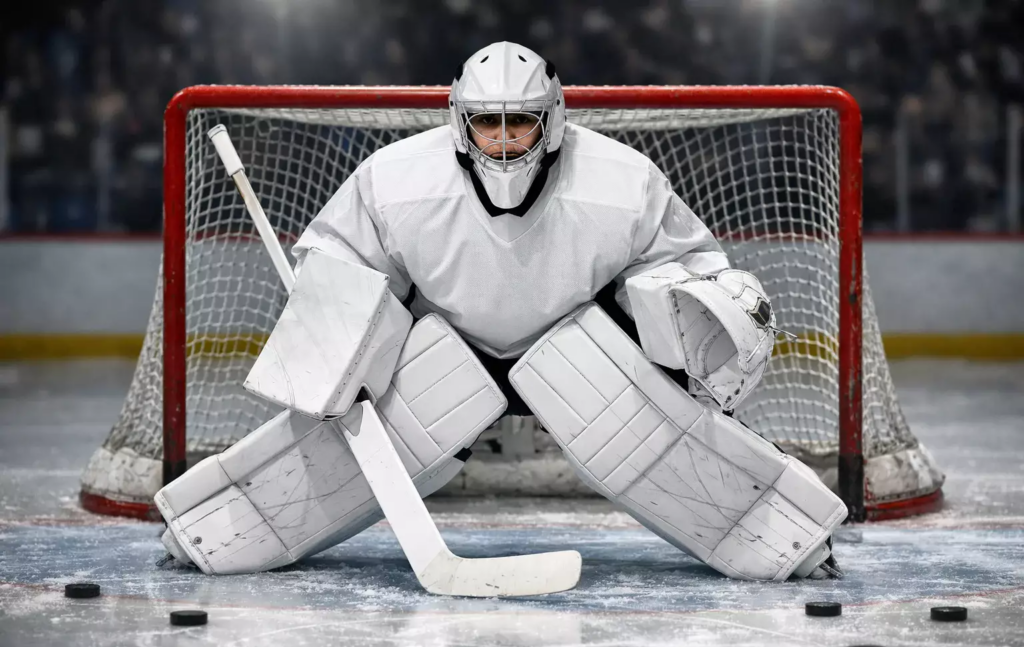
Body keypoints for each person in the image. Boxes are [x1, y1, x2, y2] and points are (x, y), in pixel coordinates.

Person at [159, 41, 845, 582]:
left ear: (553, 121)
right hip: (448, 349)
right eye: (489, 123)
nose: (506, 139)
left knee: (635, 407)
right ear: (461, 122)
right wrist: (334, 335)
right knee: (354, 423)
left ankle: (790, 541)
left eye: (522, 122)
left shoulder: (623, 180)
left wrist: (698, 318)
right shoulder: (396, 181)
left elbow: (688, 265)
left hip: (580, 346)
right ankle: (205, 534)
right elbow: (337, 261)